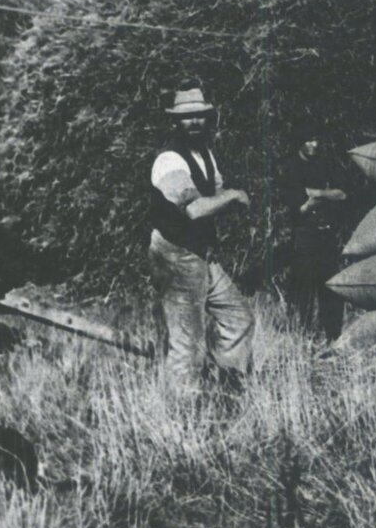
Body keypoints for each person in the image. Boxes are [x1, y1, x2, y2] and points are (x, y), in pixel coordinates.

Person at [148, 84, 255, 387]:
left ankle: (229, 386)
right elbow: (194, 209)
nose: (194, 122)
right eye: (186, 117)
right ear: (175, 121)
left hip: (201, 253)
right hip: (175, 256)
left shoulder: (205, 154)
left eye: (199, 116)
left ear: (208, 118)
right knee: (187, 345)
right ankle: (179, 419)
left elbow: (215, 191)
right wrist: (234, 196)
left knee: (238, 319)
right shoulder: (168, 161)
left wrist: (229, 198)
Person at [277, 132, 351, 341]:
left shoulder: (326, 163)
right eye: (309, 140)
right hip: (304, 236)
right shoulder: (291, 168)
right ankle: (303, 339)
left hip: (327, 234)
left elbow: (342, 194)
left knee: (331, 289)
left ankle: (333, 338)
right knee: (304, 290)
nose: (314, 144)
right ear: (300, 141)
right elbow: (299, 208)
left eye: (317, 140)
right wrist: (327, 194)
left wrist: (316, 194)